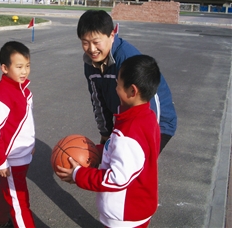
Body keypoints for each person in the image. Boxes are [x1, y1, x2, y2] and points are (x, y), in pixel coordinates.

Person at [57, 54, 162, 228]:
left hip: (125, 214)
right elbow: (127, 155)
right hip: (138, 205)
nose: (115, 88)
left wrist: (78, 174)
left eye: (118, 84)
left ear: (132, 91)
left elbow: (117, 178)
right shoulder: (147, 117)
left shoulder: (128, 132)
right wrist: (95, 151)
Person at [77, 10, 177, 152]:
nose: (92, 49)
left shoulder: (128, 60)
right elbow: (98, 101)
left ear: (112, 35)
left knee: (133, 167)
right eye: (85, 43)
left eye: (96, 42)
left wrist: (146, 140)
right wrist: (105, 133)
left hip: (156, 123)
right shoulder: (90, 64)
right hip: (125, 122)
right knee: (113, 163)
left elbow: (150, 104)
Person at [0, 41, 36, 228]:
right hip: (11, 159)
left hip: (23, 155)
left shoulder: (25, 91)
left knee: (6, 190)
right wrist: (0, 161)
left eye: (27, 66)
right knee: (20, 202)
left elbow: (26, 123)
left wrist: (31, 143)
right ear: (5, 68)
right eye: (19, 67)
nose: (24, 71)